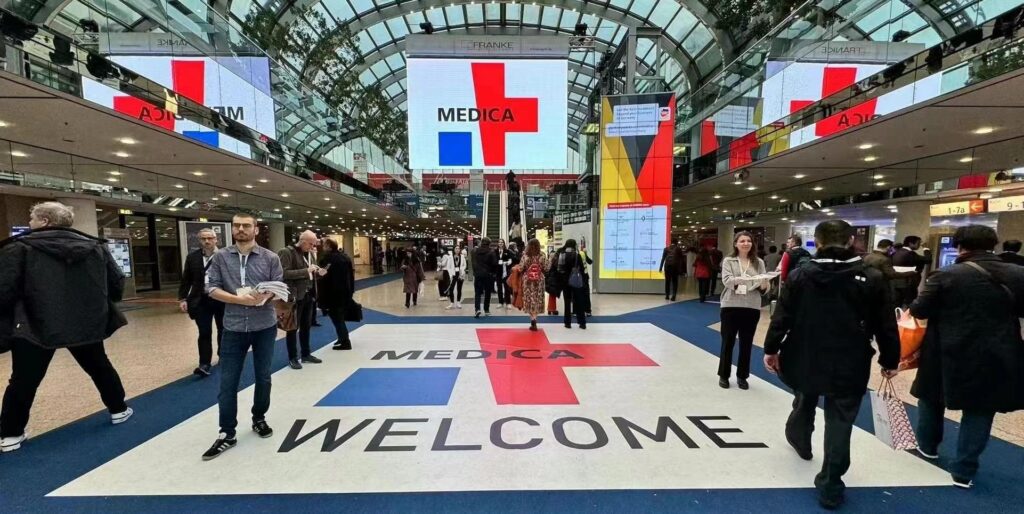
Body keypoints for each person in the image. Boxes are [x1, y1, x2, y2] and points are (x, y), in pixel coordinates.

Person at [763, 219, 900, 510]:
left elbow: (782, 317)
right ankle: (831, 484)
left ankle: (800, 438)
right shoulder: (872, 277)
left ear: (818, 242)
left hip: (804, 353)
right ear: (851, 241)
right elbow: (886, 325)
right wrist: (890, 359)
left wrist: (771, 348)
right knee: (841, 420)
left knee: (805, 396)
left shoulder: (800, 275)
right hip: (851, 360)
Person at [0, 202, 132, 453]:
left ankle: (10, 433)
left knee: (23, 379)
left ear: (45, 221)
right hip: (85, 323)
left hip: (33, 324)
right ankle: (118, 408)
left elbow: (4, 290)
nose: (29, 223)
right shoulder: (95, 248)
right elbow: (116, 283)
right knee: (99, 367)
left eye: (32, 218)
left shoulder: (18, 249)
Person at [908, 225, 1024, 489]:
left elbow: (919, 309)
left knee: (931, 397)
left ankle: (927, 448)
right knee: (981, 408)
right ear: (994, 245)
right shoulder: (1019, 274)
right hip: (997, 350)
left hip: (944, 349)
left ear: (959, 246)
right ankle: (964, 470)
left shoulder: (946, 275)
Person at [202, 212, 283, 460]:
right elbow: (211, 288)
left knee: (263, 377)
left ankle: (259, 417)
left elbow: (279, 287)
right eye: (236, 225)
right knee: (228, 383)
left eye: (246, 226)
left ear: (256, 230)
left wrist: (265, 297)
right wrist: (238, 299)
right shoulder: (220, 257)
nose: (241, 229)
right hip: (233, 327)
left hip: (264, 326)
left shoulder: (270, 258)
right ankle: (227, 432)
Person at [717, 232, 767, 390]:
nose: (746, 243)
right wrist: (750, 280)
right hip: (730, 305)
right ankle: (724, 375)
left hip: (751, 306)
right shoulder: (729, 260)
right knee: (728, 342)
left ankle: (742, 376)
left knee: (746, 343)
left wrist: (765, 283)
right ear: (736, 244)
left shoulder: (758, 262)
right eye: (742, 241)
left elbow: (763, 285)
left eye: (749, 241)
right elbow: (727, 281)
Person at [178, 228, 226, 377]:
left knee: (223, 330)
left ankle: (223, 357)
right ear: (199, 241)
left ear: (216, 239)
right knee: (204, 332)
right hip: (201, 299)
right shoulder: (193, 257)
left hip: (221, 298)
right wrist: (182, 298)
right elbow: (186, 279)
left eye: (210, 238)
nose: (207, 241)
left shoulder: (225, 256)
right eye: (203, 239)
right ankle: (204, 363)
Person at [278, 230, 325, 370]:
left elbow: (311, 274)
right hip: (294, 297)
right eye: (311, 244)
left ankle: (306, 354)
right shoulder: (286, 252)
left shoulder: (309, 253)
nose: (312, 247)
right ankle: (293, 357)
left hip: (308, 295)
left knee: (306, 326)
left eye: (314, 244)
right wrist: (307, 271)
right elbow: (283, 274)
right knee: (292, 328)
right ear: (303, 241)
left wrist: (318, 273)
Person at [317, 238, 355, 351]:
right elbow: (351, 276)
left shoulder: (327, 259)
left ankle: (345, 341)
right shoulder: (345, 257)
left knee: (337, 318)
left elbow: (323, 277)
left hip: (332, 293)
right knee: (339, 317)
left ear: (328, 246)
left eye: (324, 245)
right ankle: (341, 338)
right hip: (344, 292)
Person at [863, 239, 919, 307]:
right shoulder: (884, 259)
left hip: (868, 285)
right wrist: (911, 273)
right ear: (888, 247)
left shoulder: (867, 256)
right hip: (881, 287)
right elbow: (892, 274)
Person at [514, 238, 550, 331]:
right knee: (537, 299)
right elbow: (546, 268)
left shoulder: (525, 255)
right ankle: (535, 318)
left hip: (528, 280)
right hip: (539, 279)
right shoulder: (542, 255)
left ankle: (532, 320)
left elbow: (521, 268)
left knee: (529, 299)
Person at [554, 239, 587, 329]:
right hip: (575, 281)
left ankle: (567, 323)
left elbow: (559, 269)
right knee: (579, 302)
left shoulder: (562, 255)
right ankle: (582, 323)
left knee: (567, 302)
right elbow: (582, 269)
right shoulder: (577, 255)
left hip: (565, 282)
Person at [892, 235, 932, 307]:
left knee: (897, 303)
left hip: (896, 282)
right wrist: (926, 248)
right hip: (908, 283)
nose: (919, 245)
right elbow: (928, 259)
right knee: (909, 303)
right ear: (910, 243)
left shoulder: (896, 252)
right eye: (918, 243)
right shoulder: (910, 253)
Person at [472, 237, 499, 318]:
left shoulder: (475, 251)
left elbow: (473, 262)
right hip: (488, 275)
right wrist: (493, 273)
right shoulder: (491, 252)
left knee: (477, 293)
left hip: (478, 274)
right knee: (487, 293)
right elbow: (494, 264)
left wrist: (475, 272)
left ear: (482, 242)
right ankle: (486, 310)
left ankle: (477, 309)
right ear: (489, 243)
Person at [495, 239, 515, 308]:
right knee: (499, 288)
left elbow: (510, 260)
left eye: (502, 242)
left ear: (504, 243)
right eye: (499, 242)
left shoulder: (507, 251)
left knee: (507, 287)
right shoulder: (495, 251)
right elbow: (493, 260)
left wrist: (506, 263)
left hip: (506, 272)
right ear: (498, 244)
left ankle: (508, 303)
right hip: (498, 272)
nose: (500, 243)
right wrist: (497, 262)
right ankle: (500, 302)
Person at [579, 240, 594, 317]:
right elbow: (590, 262)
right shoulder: (583, 254)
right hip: (585, 276)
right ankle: (588, 311)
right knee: (586, 294)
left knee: (577, 294)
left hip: (578, 277)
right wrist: (586, 254)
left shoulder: (577, 254)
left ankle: (578, 311)